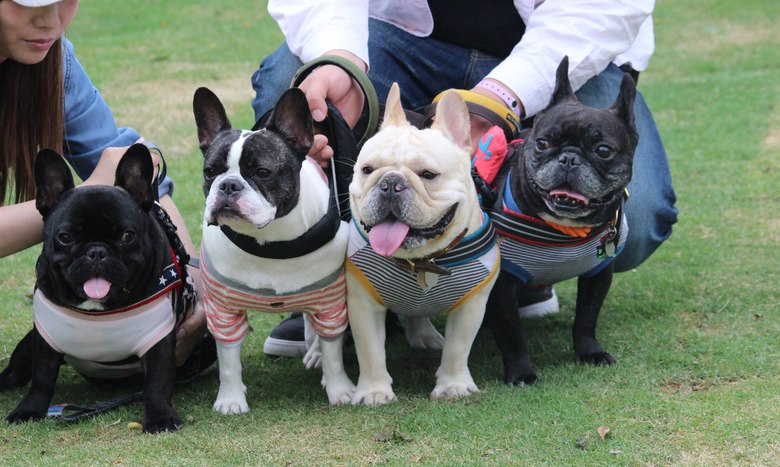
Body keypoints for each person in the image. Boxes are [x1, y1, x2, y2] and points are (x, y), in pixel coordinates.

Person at [250, 0, 679, 357]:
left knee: (636, 222)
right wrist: (340, 57)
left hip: (565, 43)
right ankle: (332, 287)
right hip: (395, 37)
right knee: (291, 87)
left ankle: (526, 269)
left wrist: (498, 98)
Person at [0, 0, 213, 378]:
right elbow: (106, 178)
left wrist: (190, 288)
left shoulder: (55, 62)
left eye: (65, 0)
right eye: (27, 3)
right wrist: (81, 197)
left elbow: (127, 166)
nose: (51, 19)